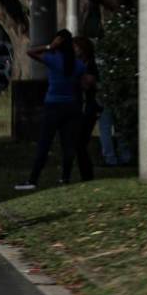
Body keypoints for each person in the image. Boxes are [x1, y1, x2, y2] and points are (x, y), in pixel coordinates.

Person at [16, 29, 93, 190]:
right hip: (71, 106)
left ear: (59, 43)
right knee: (68, 145)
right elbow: (84, 83)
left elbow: (30, 52)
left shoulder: (53, 59)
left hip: (53, 105)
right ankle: (65, 178)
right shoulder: (78, 65)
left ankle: (33, 179)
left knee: (44, 144)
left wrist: (50, 46)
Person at [71, 36, 98, 182]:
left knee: (80, 141)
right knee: (79, 142)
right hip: (80, 106)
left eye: (75, 47)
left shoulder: (91, 65)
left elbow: (88, 83)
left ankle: (87, 175)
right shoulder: (79, 64)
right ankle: (85, 174)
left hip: (89, 106)